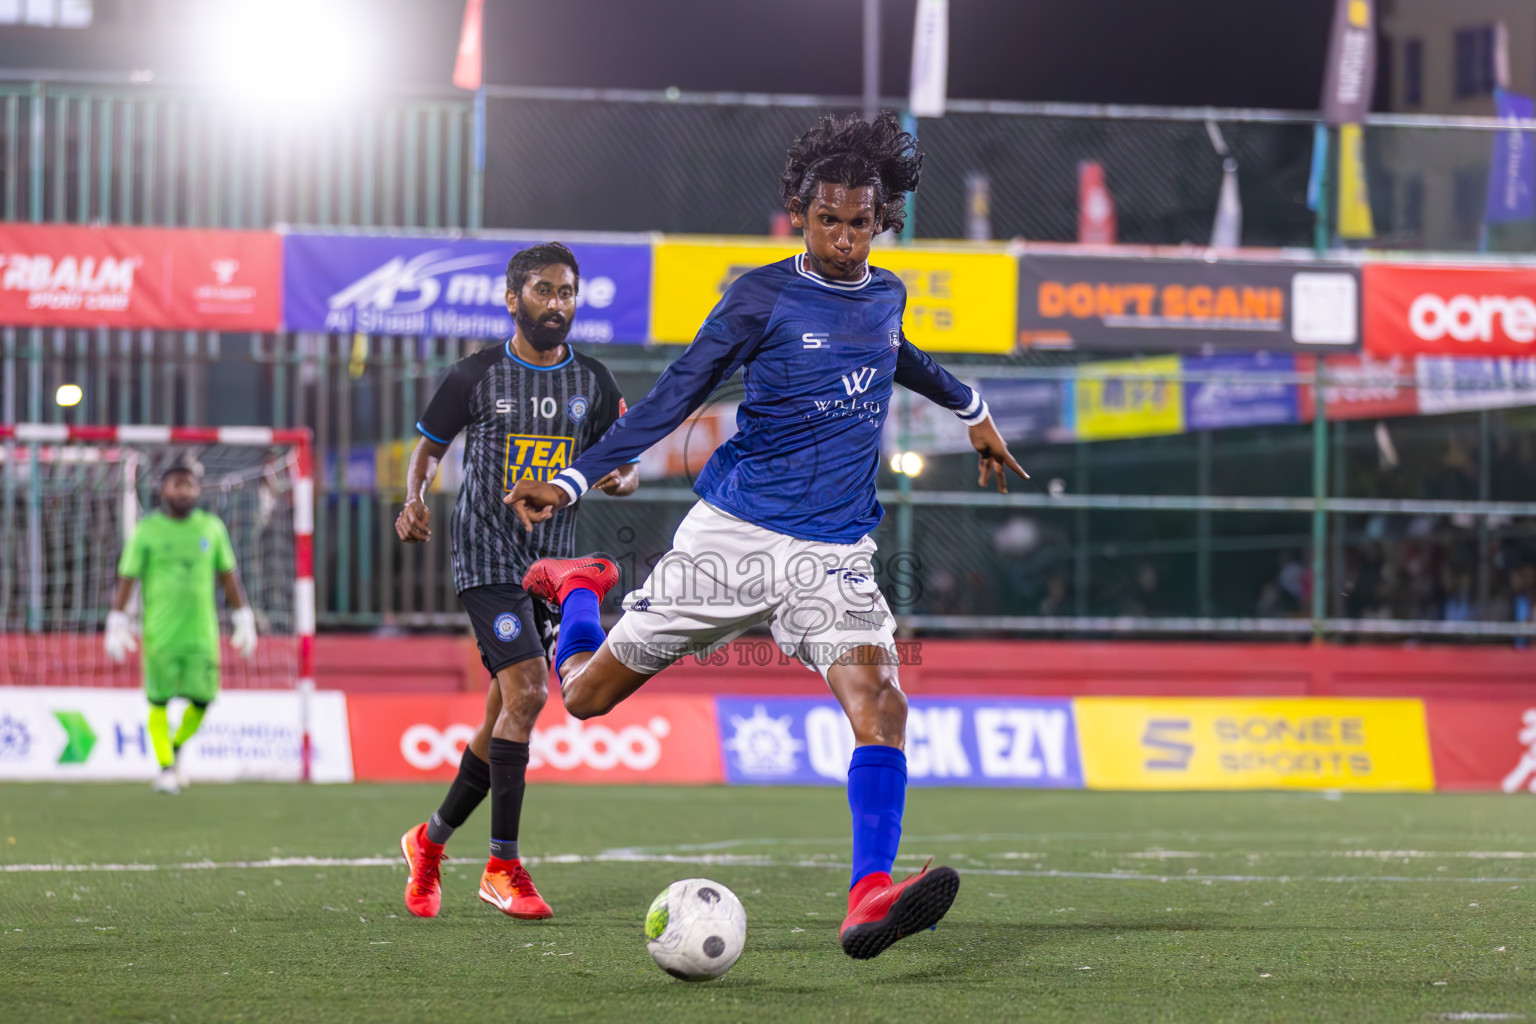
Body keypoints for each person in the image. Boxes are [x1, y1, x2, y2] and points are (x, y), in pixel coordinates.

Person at [505, 113, 1028, 960]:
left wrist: (972, 409)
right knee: (586, 698)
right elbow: (680, 390)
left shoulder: (886, 295)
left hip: (834, 555)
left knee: (883, 705)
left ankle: (867, 896)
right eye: (830, 220)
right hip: (733, 539)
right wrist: (571, 477)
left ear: (881, 218)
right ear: (799, 211)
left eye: (861, 222)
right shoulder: (760, 295)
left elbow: (902, 354)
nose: (846, 238)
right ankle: (577, 592)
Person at [394, 242, 638, 921]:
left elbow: (626, 465)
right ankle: (502, 867)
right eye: (542, 291)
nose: (556, 303)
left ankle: (429, 842)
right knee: (529, 689)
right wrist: (413, 499)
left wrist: (622, 475)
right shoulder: (474, 375)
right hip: (487, 560)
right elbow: (428, 450)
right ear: (513, 299)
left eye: (566, 292)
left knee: (504, 710)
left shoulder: (593, 381)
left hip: (554, 571)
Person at [105, 459, 257, 795]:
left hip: (202, 634)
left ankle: (172, 749)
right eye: (177, 484)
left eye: (189, 485)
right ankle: (166, 768)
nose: (184, 491)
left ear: (198, 490)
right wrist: (116, 620)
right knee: (158, 702)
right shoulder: (147, 530)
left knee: (203, 701)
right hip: (160, 635)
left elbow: (228, 575)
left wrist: (242, 615)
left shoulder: (211, 528)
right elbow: (127, 577)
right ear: (163, 489)